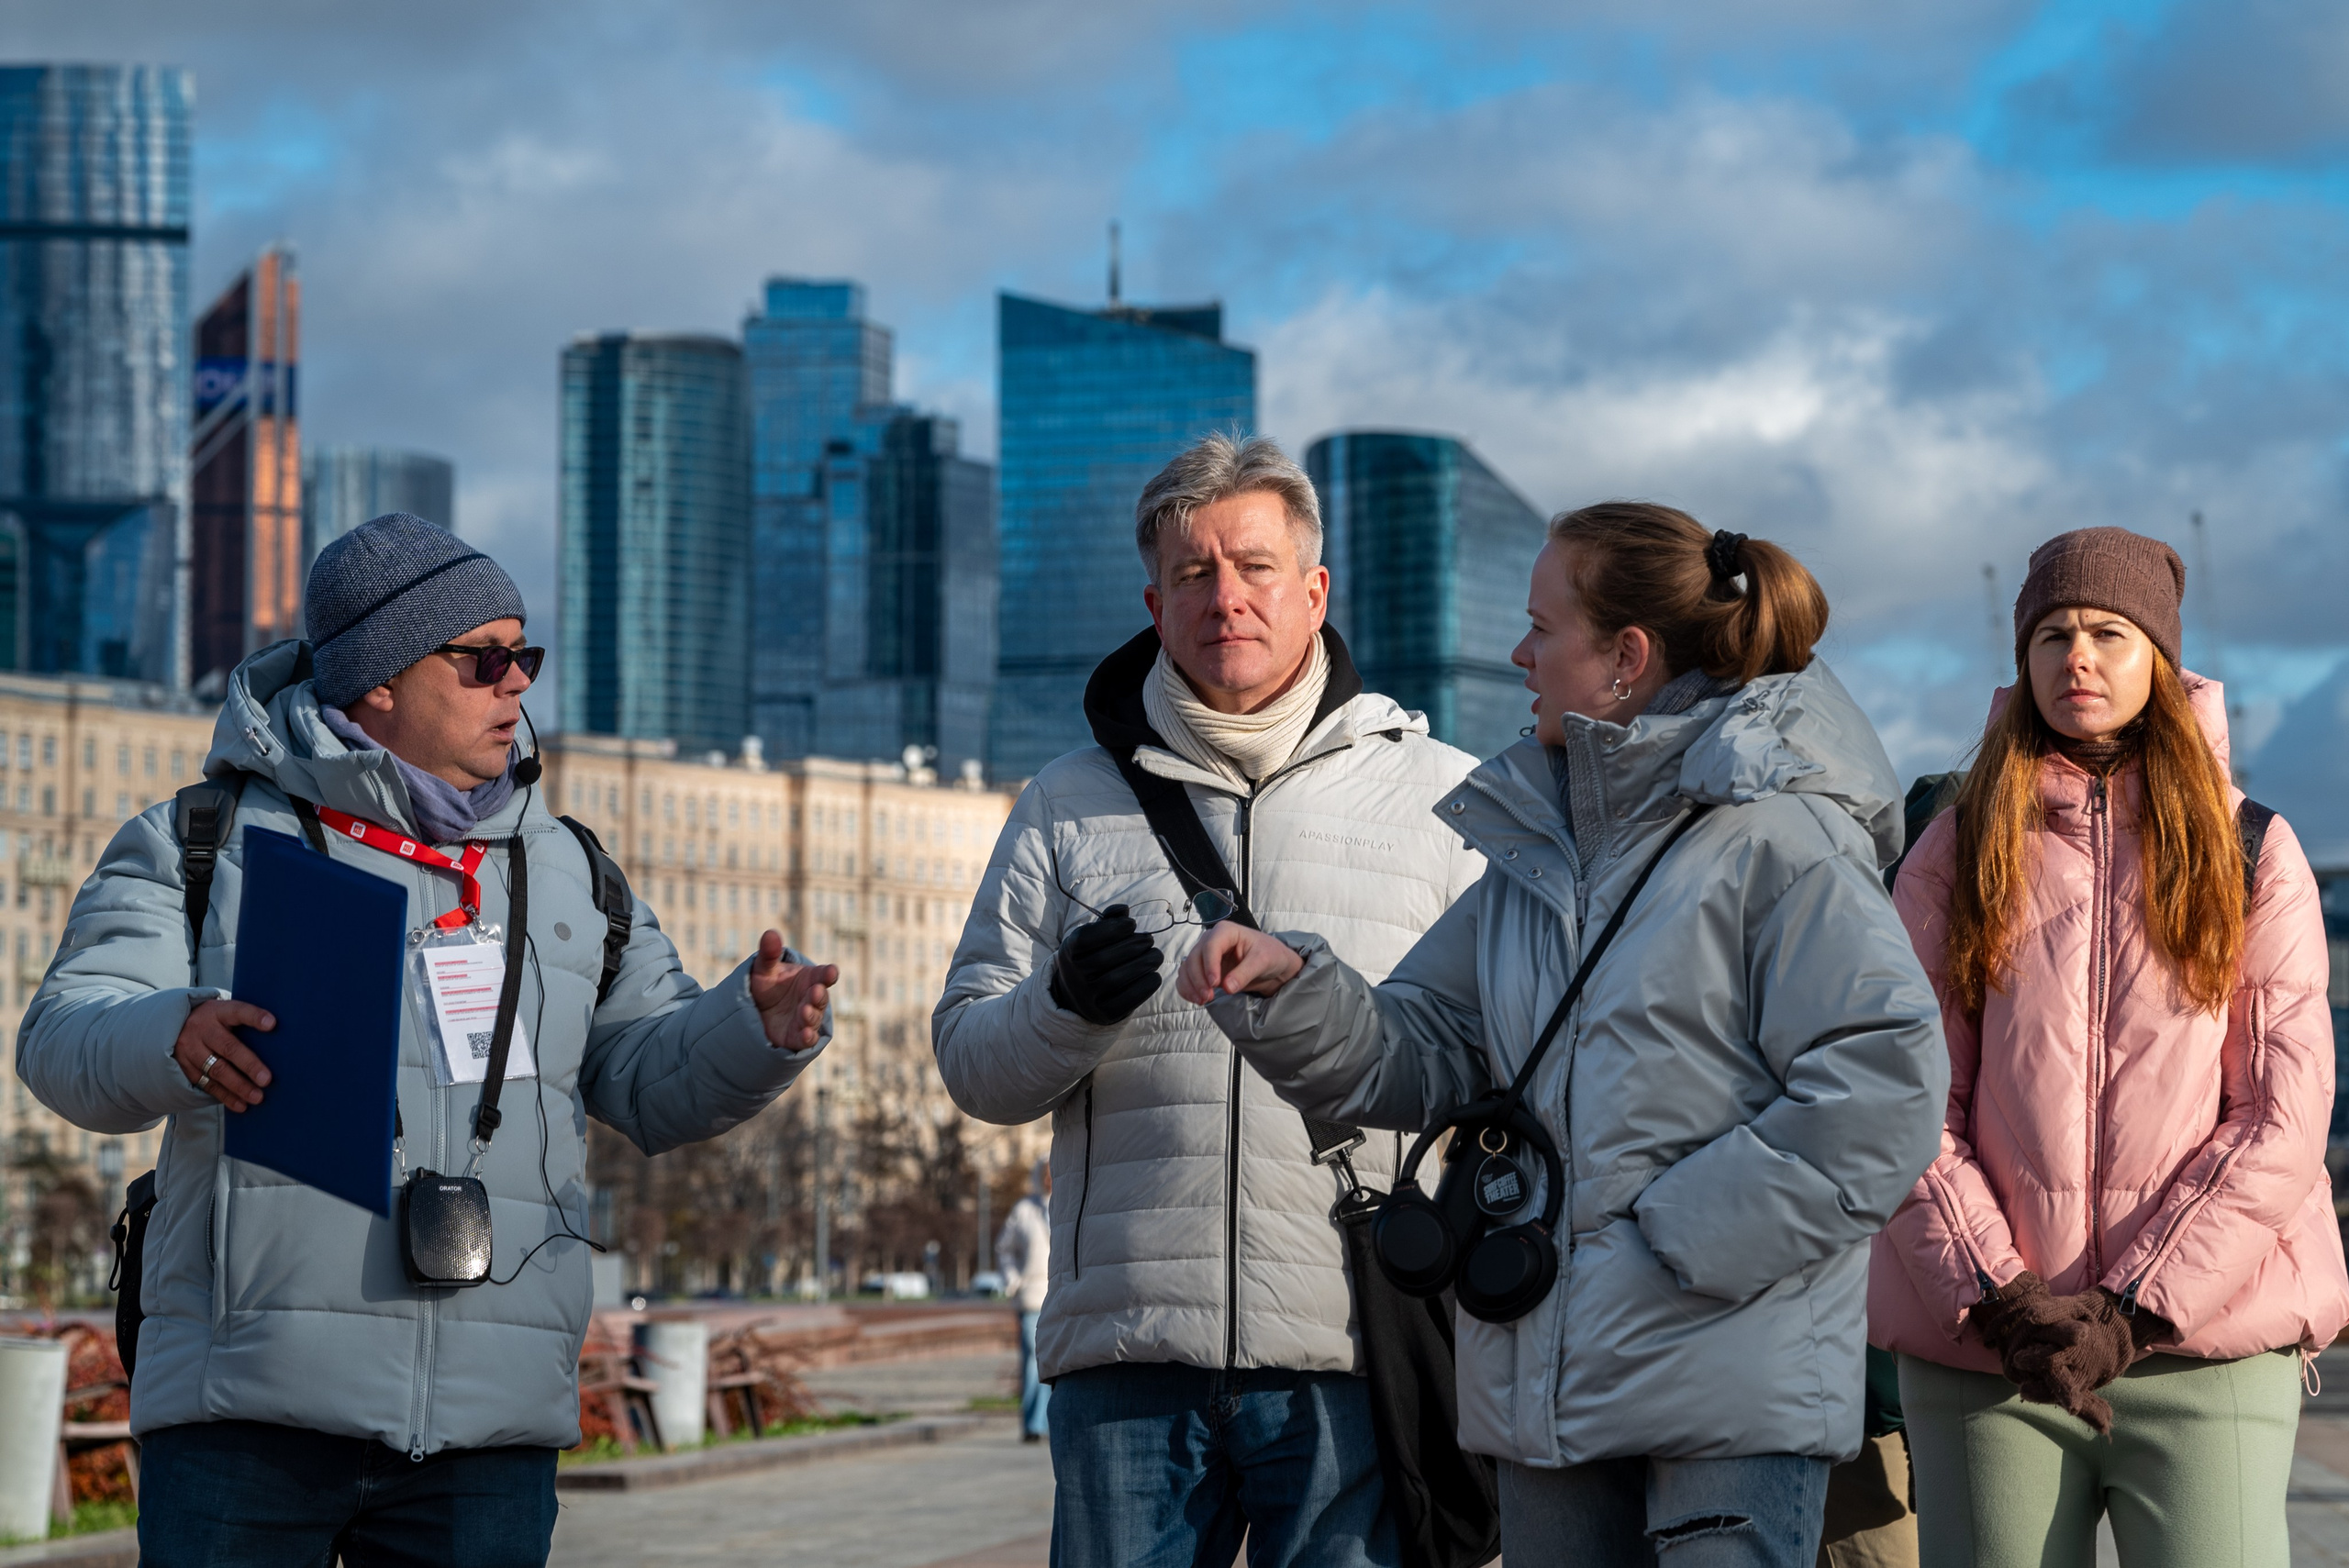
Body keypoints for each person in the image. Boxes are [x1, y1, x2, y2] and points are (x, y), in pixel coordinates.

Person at [17, 514, 838, 1568]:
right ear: (380, 681)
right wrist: (170, 1031)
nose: (516, 686)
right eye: (484, 658)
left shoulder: (568, 870)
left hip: (483, 1434)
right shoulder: (201, 841)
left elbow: (645, 1079)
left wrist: (750, 1028)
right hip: (249, 1415)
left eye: (523, 655)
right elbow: (62, 1035)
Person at [1180, 502, 1948, 1567]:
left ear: (1626, 657)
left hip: (1722, 1387)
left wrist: (1672, 1237)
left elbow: (1882, 1088)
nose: (1517, 652)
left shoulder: (1780, 835)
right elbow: (1423, 1049)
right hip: (1548, 1390)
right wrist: (1291, 986)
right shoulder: (1537, 858)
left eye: (1542, 626)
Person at [934, 434, 1484, 1567]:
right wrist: (1061, 1006)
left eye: (1254, 565)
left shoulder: (1443, 801)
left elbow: (1500, 1059)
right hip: (1130, 1361)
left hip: (1353, 1344)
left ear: (1314, 588)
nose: (1224, 597)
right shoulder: (1064, 803)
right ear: (1154, 598)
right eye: (1193, 573)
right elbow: (972, 1065)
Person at [1870, 526, 2349, 1568]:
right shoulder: (1954, 845)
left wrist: (2132, 1311)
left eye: (2105, 632)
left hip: (2202, 1347)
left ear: (2160, 659)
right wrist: (2004, 1298)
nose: (2074, 656)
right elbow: (1903, 1098)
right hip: (1989, 1350)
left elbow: (2279, 1115)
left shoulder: (2249, 848)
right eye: (2049, 633)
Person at [996, 1161, 1053, 1442]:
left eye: (1053, 1172)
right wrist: (1013, 1279)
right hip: (1032, 1296)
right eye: (1045, 1173)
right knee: (1033, 1362)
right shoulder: (1024, 1210)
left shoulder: (1071, 1201)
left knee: (1061, 1362)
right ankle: (1033, 1424)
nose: (1049, 1178)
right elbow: (1004, 1248)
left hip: (1063, 1295)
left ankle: (1052, 1421)